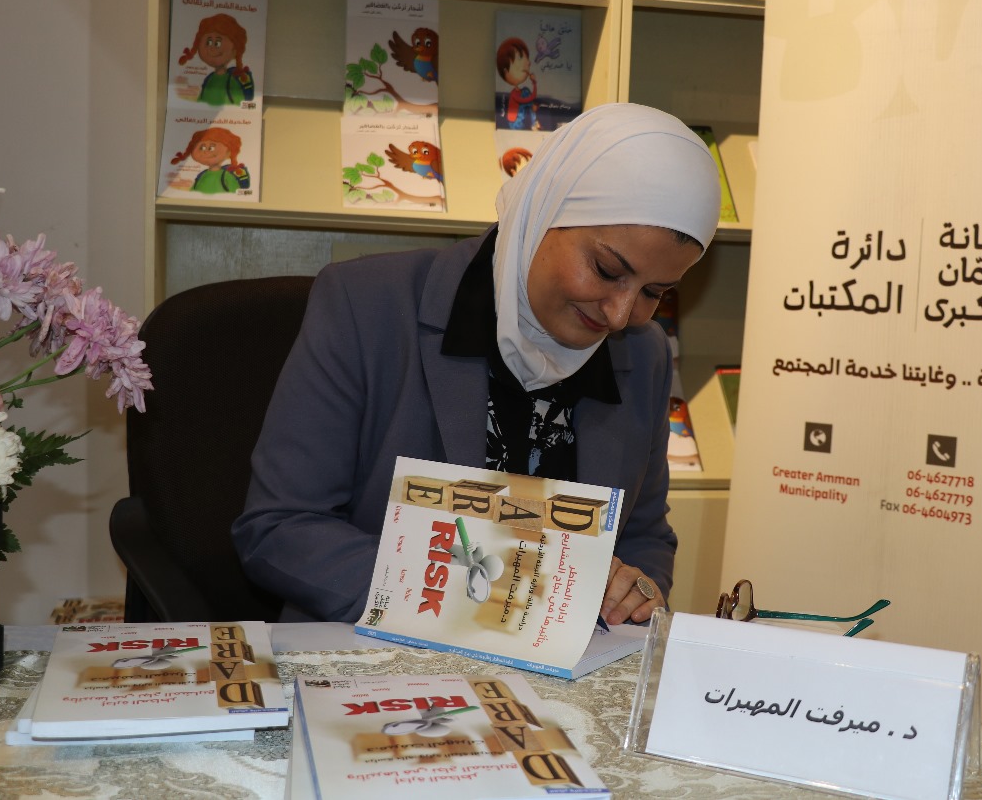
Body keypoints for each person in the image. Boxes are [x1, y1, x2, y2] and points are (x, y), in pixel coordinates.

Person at [233, 103, 720, 626]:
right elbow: (281, 528)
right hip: (376, 650)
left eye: (654, 292)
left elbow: (643, 534)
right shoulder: (366, 305)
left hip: (560, 667)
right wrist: (492, 593)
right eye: (605, 270)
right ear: (544, 209)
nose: (621, 315)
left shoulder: (642, 353)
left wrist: (635, 592)